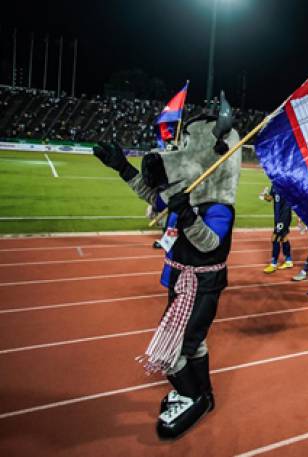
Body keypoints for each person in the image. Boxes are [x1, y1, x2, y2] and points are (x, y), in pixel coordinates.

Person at [92, 93, 240, 439]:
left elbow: (211, 245)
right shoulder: (184, 194)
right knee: (194, 343)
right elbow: (151, 196)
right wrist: (123, 167)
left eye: (188, 145)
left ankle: (190, 396)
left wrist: (187, 214)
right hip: (181, 280)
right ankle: (202, 395)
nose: (177, 152)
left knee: (172, 347)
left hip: (200, 285)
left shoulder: (218, 207)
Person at [261, 186, 294, 273]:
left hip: (284, 216)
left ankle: (273, 264)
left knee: (274, 238)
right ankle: (288, 261)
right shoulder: (274, 185)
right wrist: (264, 195)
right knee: (284, 237)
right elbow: (270, 198)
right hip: (278, 217)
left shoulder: (286, 185)